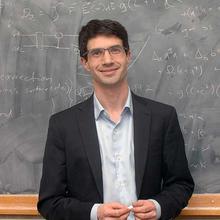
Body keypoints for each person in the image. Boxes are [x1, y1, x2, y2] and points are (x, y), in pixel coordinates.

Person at [37, 19, 194, 220]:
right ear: (85, 62)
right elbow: (50, 202)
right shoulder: (62, 125)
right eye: (97, 53)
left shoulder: (162, 117)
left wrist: (159, 206)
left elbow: (181, 184)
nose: (107, 60)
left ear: (128, 55)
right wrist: (95, 213)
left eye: (115, 50)